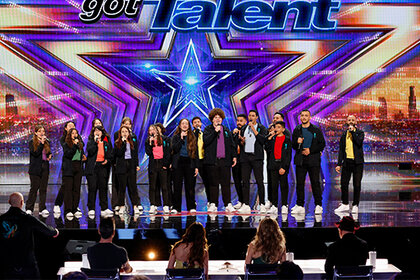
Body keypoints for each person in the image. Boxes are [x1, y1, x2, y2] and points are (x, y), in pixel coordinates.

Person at [0, 192, 59, 279]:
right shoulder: (27, 218)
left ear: (9, 202)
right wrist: (55, 231)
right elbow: (50, 232)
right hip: (27, 265)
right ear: (22, 202)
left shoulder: (1, 219)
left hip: (7, 265)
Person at [291, 109, 326, 215]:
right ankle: (300, 205)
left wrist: (310, 150)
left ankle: (318, 205)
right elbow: (293, 145)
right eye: (302, 115)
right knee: (300, 183)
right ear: (300, 117)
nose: (304, 117)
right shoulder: (297, 129)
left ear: (310, 117)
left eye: (306, 115)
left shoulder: (315, 130)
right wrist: (297, 143)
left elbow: (322, 144)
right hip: (300, 160)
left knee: (315, 183)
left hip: (313, 160)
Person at [203, 108, 237, 212]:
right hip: (212, 161)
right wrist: (214, 131)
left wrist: (234, 156)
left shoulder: (226, 130)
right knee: (213, 183)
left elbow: (232, 144)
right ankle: (213, 203)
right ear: (212, 119)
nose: (218, 119)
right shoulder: (208, 129)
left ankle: (228, 203)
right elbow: (206, 141)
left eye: (220, 118)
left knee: (226, 183)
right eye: (216, 118)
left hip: (225, 161)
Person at [238, 110, 267, 213]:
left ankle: (262, 203)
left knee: (259, 181)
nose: (251, 117)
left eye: (253, 116)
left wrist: (254, 130)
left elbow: (263, 140)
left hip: (257, 158)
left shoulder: (262, 128)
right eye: (249, 115)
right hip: (245, 158)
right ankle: (246, 204)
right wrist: (241, 140)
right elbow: (242, 143)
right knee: (245, 181)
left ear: (257, 117)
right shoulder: (244, 128)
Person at [335, 115, 365, 214]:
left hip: (357, 163)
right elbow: (341, 151)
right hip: (347, 162)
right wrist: (339, 164)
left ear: (356, 122)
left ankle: (355, 204)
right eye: (349, 120)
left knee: (357, 184)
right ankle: (345, 204)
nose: (351, 121)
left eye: (353, 120)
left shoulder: (360, 133)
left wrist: (353, 132)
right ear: (346, 122)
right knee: (344, 184)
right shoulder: (344, 135)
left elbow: (359, 143)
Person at [112, 117, 140, 212]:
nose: (125, 133)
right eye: (123, 131)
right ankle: (121, 206)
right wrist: (123, 143)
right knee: (122, 188)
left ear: (129, 133)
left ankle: (135, 205)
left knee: (132, 187)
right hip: (121, 167)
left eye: (126, 131)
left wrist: (137, 164)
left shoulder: (132, 142)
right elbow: (118, 154)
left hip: (131, 166)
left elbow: (135, 154)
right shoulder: (117, 143)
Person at [171, 119, 199, 213]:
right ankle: (176, 207)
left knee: (190, 186)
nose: (184, 125)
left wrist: (196, 166)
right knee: (177, 186)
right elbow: (174, 149)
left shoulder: (193, 137)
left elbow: (196, 152)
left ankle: (191, 206)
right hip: (178, 163)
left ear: (189, 126)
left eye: (186, 124)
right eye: (182, 123)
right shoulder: (175, 137)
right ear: (179, 125)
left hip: (189, 163)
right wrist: (181, 139)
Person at [86, 125, 113, 217]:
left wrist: (107, 160)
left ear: (102, 132)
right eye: (95, 131)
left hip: (103, 166)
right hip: (93, 167)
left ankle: (104, 208)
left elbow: (110, 154)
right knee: (92, 188)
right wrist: (95, 142)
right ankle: (91, 208)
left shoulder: (106, 142)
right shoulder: (91, 142)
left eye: (99, 131)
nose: (97, 132)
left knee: (103, 187)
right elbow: (90, 152)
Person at [265, 121, 292, 214]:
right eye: (276, 127)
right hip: (273, 165)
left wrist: (284, 167)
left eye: (279, 127)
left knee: (284, 186)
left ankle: (284, 205)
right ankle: (275, 205)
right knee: (274, 186)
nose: (277, 129)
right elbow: (267, 148)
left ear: (283, 129)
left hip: (282, 165)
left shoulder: (287, 140)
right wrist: (270, 137)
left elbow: (288, 155)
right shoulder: (272, 139)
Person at [26, 125, 52, 216]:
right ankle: (29, 208)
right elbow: (35, 153)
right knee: (34, 188)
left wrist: (49, 155)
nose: (42, 133)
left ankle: (42, 208)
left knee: (43, 189)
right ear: (36, 133)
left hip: (45, 166)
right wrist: (41, 143)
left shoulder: (47, 142)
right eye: (40, 131)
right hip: (35, 168)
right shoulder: (32, 142)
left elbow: (48, 152)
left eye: (43, 131)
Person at [145, 124, 171, 214]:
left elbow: (167, 152)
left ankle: (166, 205)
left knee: (164, 186)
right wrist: (150, 143)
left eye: (153, 129)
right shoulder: (148, 140)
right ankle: (153, 205)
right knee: (152, 186)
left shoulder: (164, 139)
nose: (152, 131)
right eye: (150, 130)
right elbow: (148, 153)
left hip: (162, 164)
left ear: (157, 130)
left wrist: (165, 164)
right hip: (153, 164)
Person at [62, 128, 85, 219]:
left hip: (78, 166)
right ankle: (68, 210)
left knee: (76, 188)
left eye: (76, 133)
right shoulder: (66, 144)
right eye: (73, 133)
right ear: (69, 135)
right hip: (69, 167)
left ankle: (75, 208)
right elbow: (68, 154)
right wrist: (75, 146)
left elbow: (80, 155)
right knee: (68, 189)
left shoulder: (80, 144)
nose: (75, 135)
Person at [54, 121, 76, 214]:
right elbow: (68, 152)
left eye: (73, 126)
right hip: (67, 165)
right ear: (66, 128)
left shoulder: (77, 137)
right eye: (69, 126)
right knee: (65, 185)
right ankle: (57, 204)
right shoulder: (63, 139)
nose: (72, 127)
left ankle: (74, 207)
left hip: (77, 165)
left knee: (74, 187)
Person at [192, 116, 211, 206]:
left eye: (198, 122)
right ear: (192, 125)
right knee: (192, 182)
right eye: (195, 122)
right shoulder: (191, 135)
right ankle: (192, 201)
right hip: (194, 160)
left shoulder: (204, 134)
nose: (197, 123)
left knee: (207, 181)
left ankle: (210, 200)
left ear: (201, 123)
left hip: (204, 159)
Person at [231, 114, 247, 210]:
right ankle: (240, 200)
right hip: (235, 160)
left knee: (244, 181)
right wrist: (234, 135)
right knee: (237, 181)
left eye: (241, 121)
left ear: (245, 122)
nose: (238, 123)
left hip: (245, 160)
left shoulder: (247, 131)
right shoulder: (234, 132)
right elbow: (231, 145)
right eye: (237, 121)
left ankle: (246, 202)